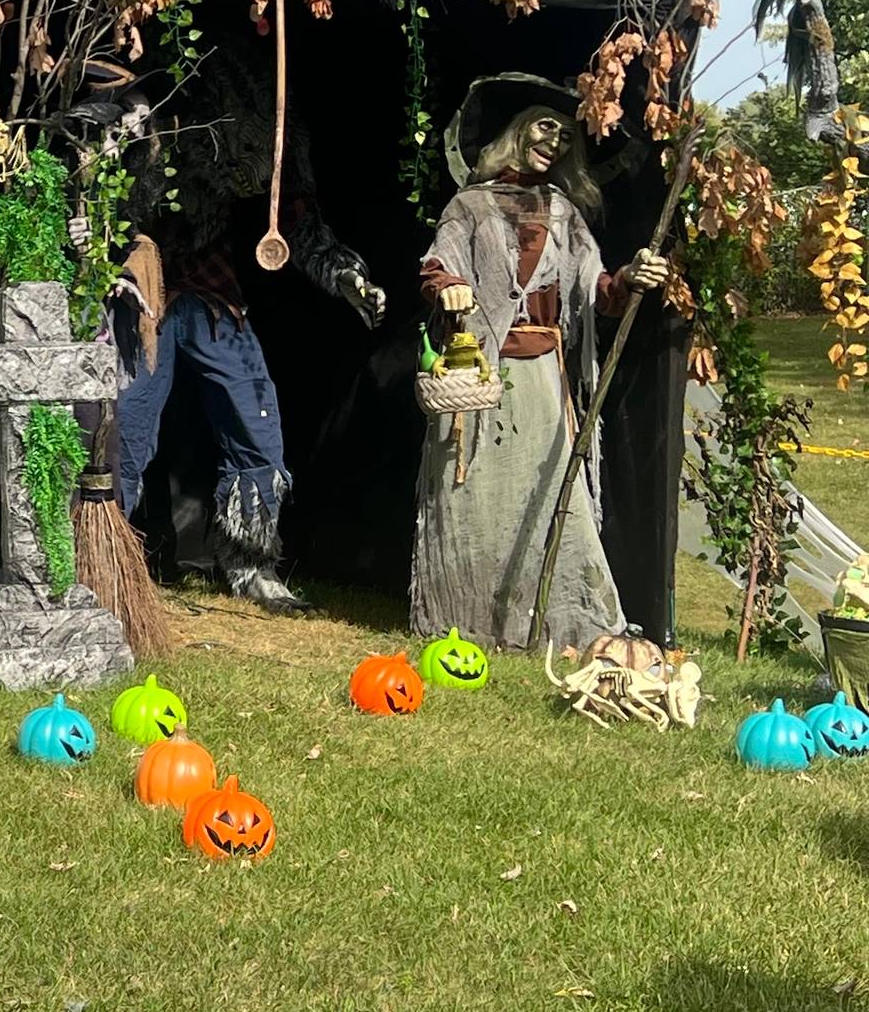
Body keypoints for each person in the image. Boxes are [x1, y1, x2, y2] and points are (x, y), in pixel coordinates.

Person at [112, 40, 386, 609]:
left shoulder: (271, 130)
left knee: (256, 425)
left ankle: (253, 565)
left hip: (212, 294)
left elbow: (299, 220)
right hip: (139, 291)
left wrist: (344, 275)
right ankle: (104, 561)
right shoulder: (132, 119)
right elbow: (108, 207)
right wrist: (133, 141)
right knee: (126, 429)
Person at [412, 76, 667, 648]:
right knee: (472, 497)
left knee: (552, 495)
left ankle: (557, 620)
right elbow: (437, 264)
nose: (554, 141)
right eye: (545, 127)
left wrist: (628, 278)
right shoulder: (470, 207)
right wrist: (450, 286)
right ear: (517, 130)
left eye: (567, 136)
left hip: (544, 382)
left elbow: (594, 290)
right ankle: (465, 618)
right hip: (477, 374)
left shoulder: (564, 214)